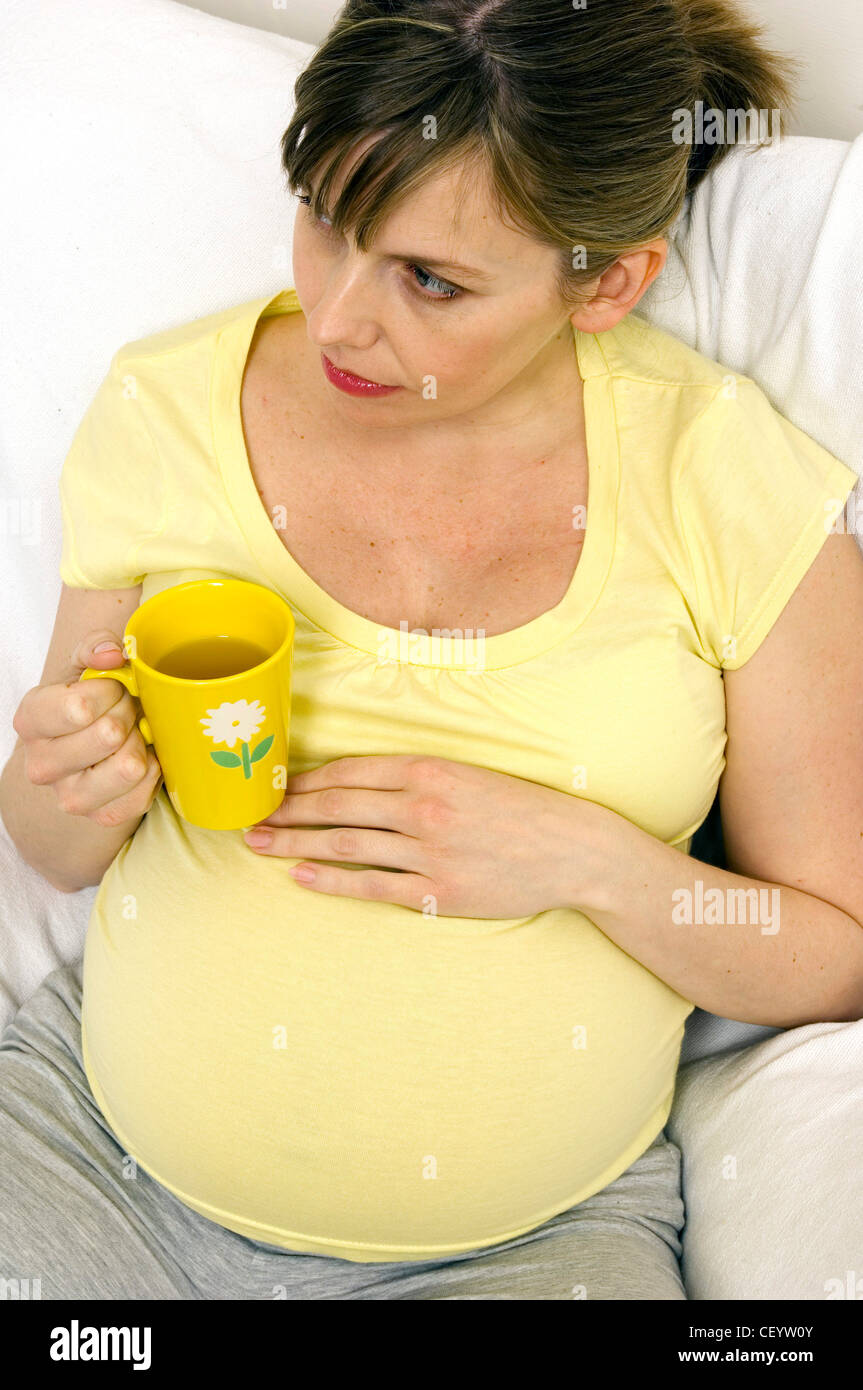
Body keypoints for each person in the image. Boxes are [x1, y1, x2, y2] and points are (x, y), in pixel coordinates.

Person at [1, 0, 861, 1301]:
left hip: (527, 1246)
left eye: (429, 280)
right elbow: (54, 845)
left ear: (609, 280)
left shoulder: (726, 485)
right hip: (92, 1171)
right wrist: (65, 781)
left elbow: (831, 946)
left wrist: (587, 860)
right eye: (327, 222)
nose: (337, 314)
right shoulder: (163, 408)